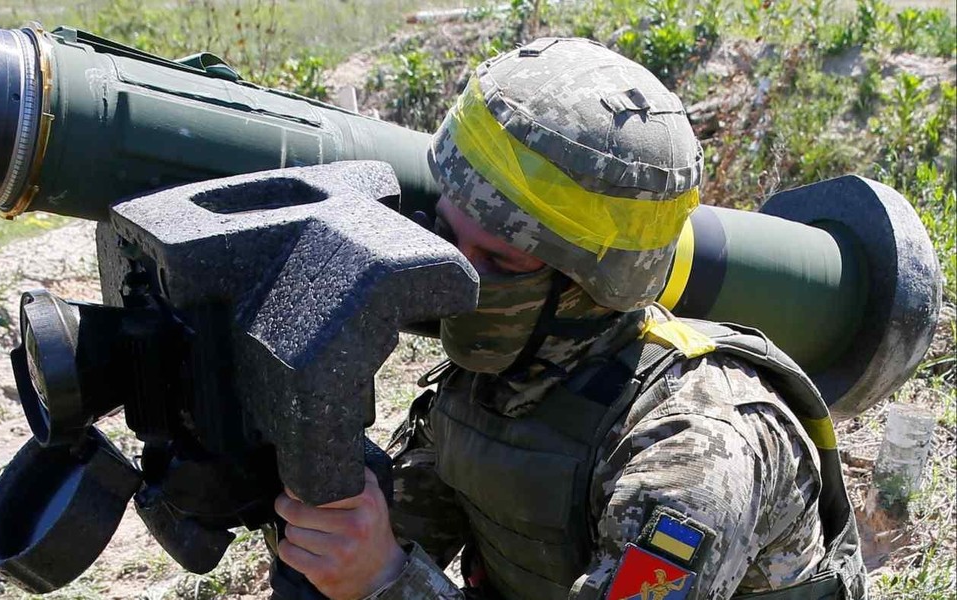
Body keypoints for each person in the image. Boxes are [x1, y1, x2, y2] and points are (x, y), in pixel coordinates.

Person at [273, 38, 867, 600]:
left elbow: (383, 568)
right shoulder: (506, 373)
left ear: (589, 287)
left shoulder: (692, 457)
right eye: (448, 238)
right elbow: (398, 524)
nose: (460, 281)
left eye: (500, 261)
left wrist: (385, 579)